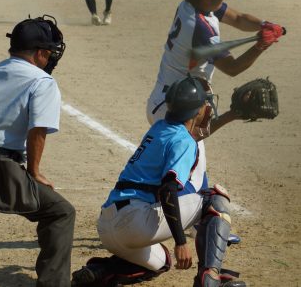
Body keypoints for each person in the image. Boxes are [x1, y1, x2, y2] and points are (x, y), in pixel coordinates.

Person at [71, 76, 244, 287]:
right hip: (135, 222)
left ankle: (99, 272)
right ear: (196, 110)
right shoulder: (183, 140)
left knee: (160, 262)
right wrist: (181, 242)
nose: (207, 107)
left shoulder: (159, 128)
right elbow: (168, 189)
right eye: (204, 103)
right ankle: (209, 278)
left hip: (108, 226)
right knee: (214, 199)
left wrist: (230, 115)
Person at [146, 0, 285, 194]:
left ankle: (194, 216)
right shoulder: (200, 29)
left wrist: (263, 25)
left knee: (191, 164)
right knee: (188, 169)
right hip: (176, 108)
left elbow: (239, 18)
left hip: (168, 98)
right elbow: (232, 68)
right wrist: (261, 46)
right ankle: (189, 218)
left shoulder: (193, 4)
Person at [0, 15, 75, 287]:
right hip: (1, 165)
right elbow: (37, 130)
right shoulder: (41, 81)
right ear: (39, 53)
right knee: (60, 212)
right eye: (49, 52)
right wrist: (35, 172)